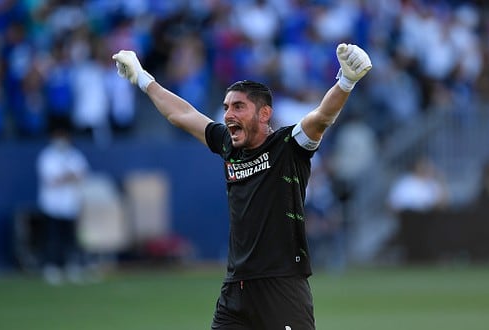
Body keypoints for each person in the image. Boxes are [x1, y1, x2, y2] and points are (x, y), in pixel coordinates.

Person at [112, 41, 371, 329]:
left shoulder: (288, 146)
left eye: (238, 107)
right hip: (236, 289)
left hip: (281, 286)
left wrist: (346, 81)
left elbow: (321, 116)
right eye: (226, 107)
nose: (228, 115)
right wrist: (142, 76)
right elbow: (182, 114)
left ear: (264, 114)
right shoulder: (229, 146)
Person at [37, 121, 89, 285]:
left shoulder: (74, 155)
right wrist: (69, 176)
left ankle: (72, 267)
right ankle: (52, 267)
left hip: (70, 205)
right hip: (52, 205)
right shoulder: (47, 156)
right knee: (53, 238)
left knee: (70, 239)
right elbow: (53, 180)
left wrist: (67, 177)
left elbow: (81, 175)